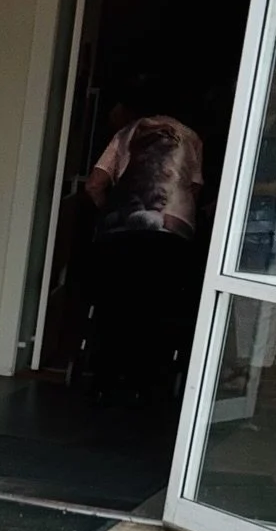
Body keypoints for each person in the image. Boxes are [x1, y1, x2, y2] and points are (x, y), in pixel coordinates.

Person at [84, 89, 206, 403]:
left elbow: (95, 183)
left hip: (122, 232)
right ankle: (149, 382)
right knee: (159, 307)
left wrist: (110, 212)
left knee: (115, 303)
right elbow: (193, 188)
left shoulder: (127, 133)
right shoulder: (192, 138)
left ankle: (104, 378)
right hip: (171, 237)